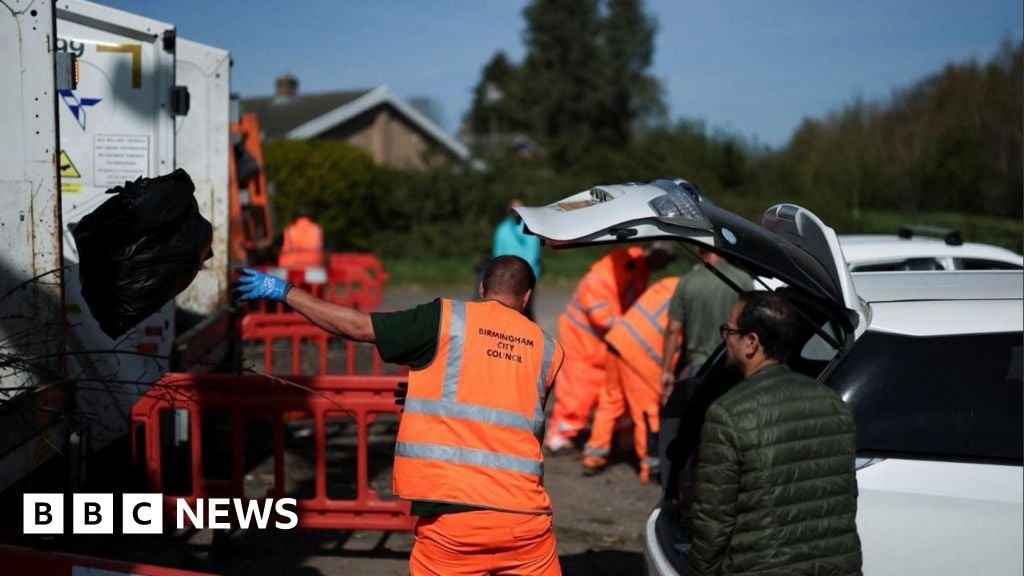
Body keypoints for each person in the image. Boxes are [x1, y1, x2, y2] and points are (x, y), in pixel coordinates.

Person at [237, 256, 565, 576]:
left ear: (482, 288)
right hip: (526, 523)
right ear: (526, 297)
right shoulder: (549, 349)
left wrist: (287, 292)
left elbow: (357, 326)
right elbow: (510, 405)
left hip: (453, 522)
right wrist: (426, 393)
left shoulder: (445, 318)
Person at [688, 291, 861, 575]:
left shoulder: (728, 414)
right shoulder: (834, 404)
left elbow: (713, 522)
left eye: (729, 331)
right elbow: (845, 501)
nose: (725, 339)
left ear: (751, 342)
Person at [544, 243, 676, 454]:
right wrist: (632, 328)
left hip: (604, 346)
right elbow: (601, 316)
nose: (661, 267)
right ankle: (560, 437)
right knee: (577, 394)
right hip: (582, 345)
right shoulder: (602, 277)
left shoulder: (637, 270)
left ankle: (615, 435)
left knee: (609, 394)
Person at [581, 276, 680, 482]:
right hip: (640, 355)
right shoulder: (697, 294)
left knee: (610, 402)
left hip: (619, 340)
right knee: (647, 412)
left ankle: (594, 457)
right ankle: (650, 467)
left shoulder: (671, 282)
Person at [660, 248, 752, 403]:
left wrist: (666, 371)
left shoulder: (688, 281)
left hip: (699, 365)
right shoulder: (743, 280)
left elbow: (673, 329)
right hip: (734, 366)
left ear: (699, 250)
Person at [492, 199, 542, 319]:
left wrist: (524, 273)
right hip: (506, 277)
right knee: (507, 310)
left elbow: (533, 253)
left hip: (528, 274)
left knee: (526, 309)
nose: (516, 213)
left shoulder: (530, 228)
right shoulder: (502, 229)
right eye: (514, 210)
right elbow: (498, 253)